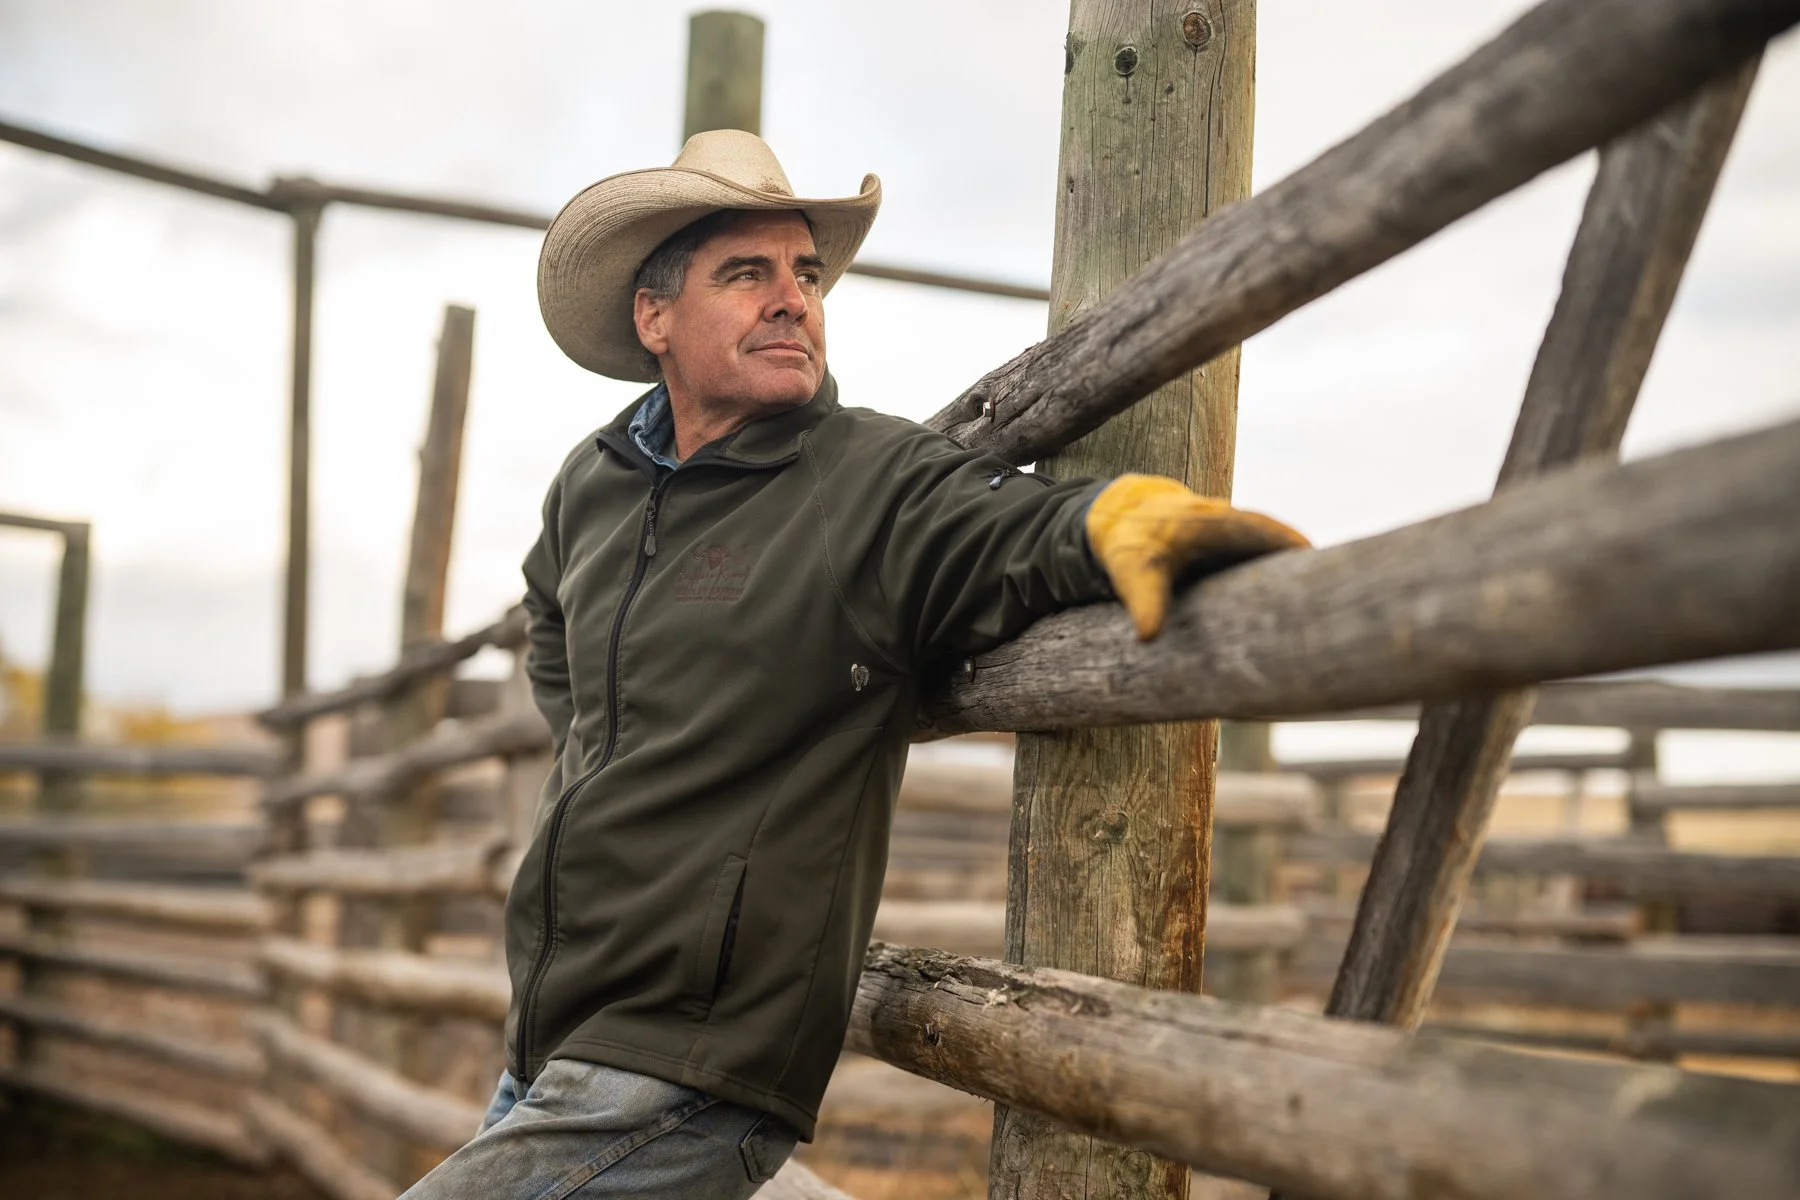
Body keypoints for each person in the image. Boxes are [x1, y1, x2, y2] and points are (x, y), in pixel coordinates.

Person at [400, 130, 1305, 1199]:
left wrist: (1122, 519)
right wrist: (598, 753)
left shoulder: (864, 481)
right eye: (747, 273)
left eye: (807, 274)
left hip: (689, 1062)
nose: (793, 300)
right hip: (553, 1035)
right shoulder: (593, 484)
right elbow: (550, 607)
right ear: (654, 317)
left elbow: (1000, 529)